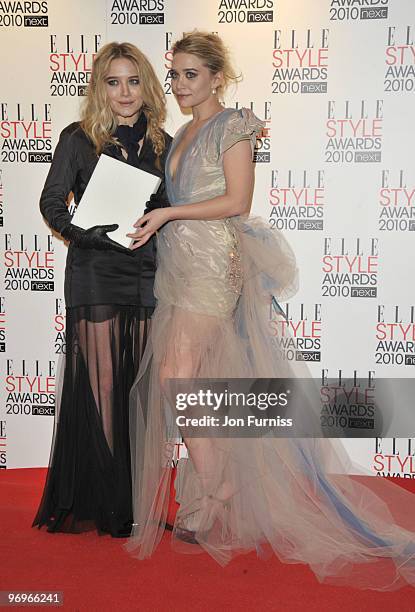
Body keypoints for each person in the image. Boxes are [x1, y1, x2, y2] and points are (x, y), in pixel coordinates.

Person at [125, 31, 415, 589]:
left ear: (217, 76)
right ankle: (219, 489)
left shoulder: (235, 125)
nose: (180, 85)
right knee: (192, 381)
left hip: (214, 267)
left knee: (173, 374)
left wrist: (166, 216)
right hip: (180, 268)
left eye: (191, 74)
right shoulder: (184, 130)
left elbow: (238, 201)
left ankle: (217, 492)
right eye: (176, 74)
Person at [32, 42, 171, 538]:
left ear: (147, 86)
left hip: (146, 271)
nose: (125, 91)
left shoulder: (163, 143)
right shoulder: (78, 137)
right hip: (94, 269)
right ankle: (112, 500)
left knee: (141, 390)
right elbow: (52, 202)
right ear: (99, 87)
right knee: (106, 383)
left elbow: (171, 210)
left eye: (133, 80)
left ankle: (136, 496)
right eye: (113, 81)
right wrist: (80, 233)